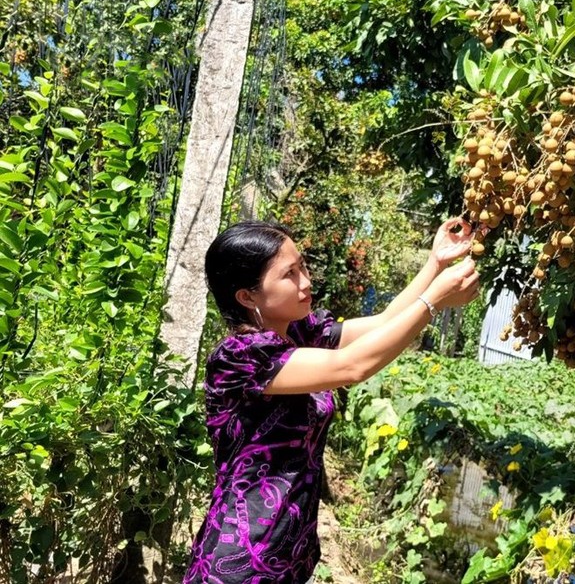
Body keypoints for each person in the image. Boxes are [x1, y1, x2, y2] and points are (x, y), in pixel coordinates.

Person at [183, 218, 480, 583]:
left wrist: (436, 263)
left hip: (288, 554)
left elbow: (384, 322)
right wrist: (434, 300)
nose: (306, 281)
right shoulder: (240, 357)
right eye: (289, 274)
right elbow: (350, 366)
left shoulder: (297, 333)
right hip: (242, 561)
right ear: (248, 296)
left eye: (302, 266)